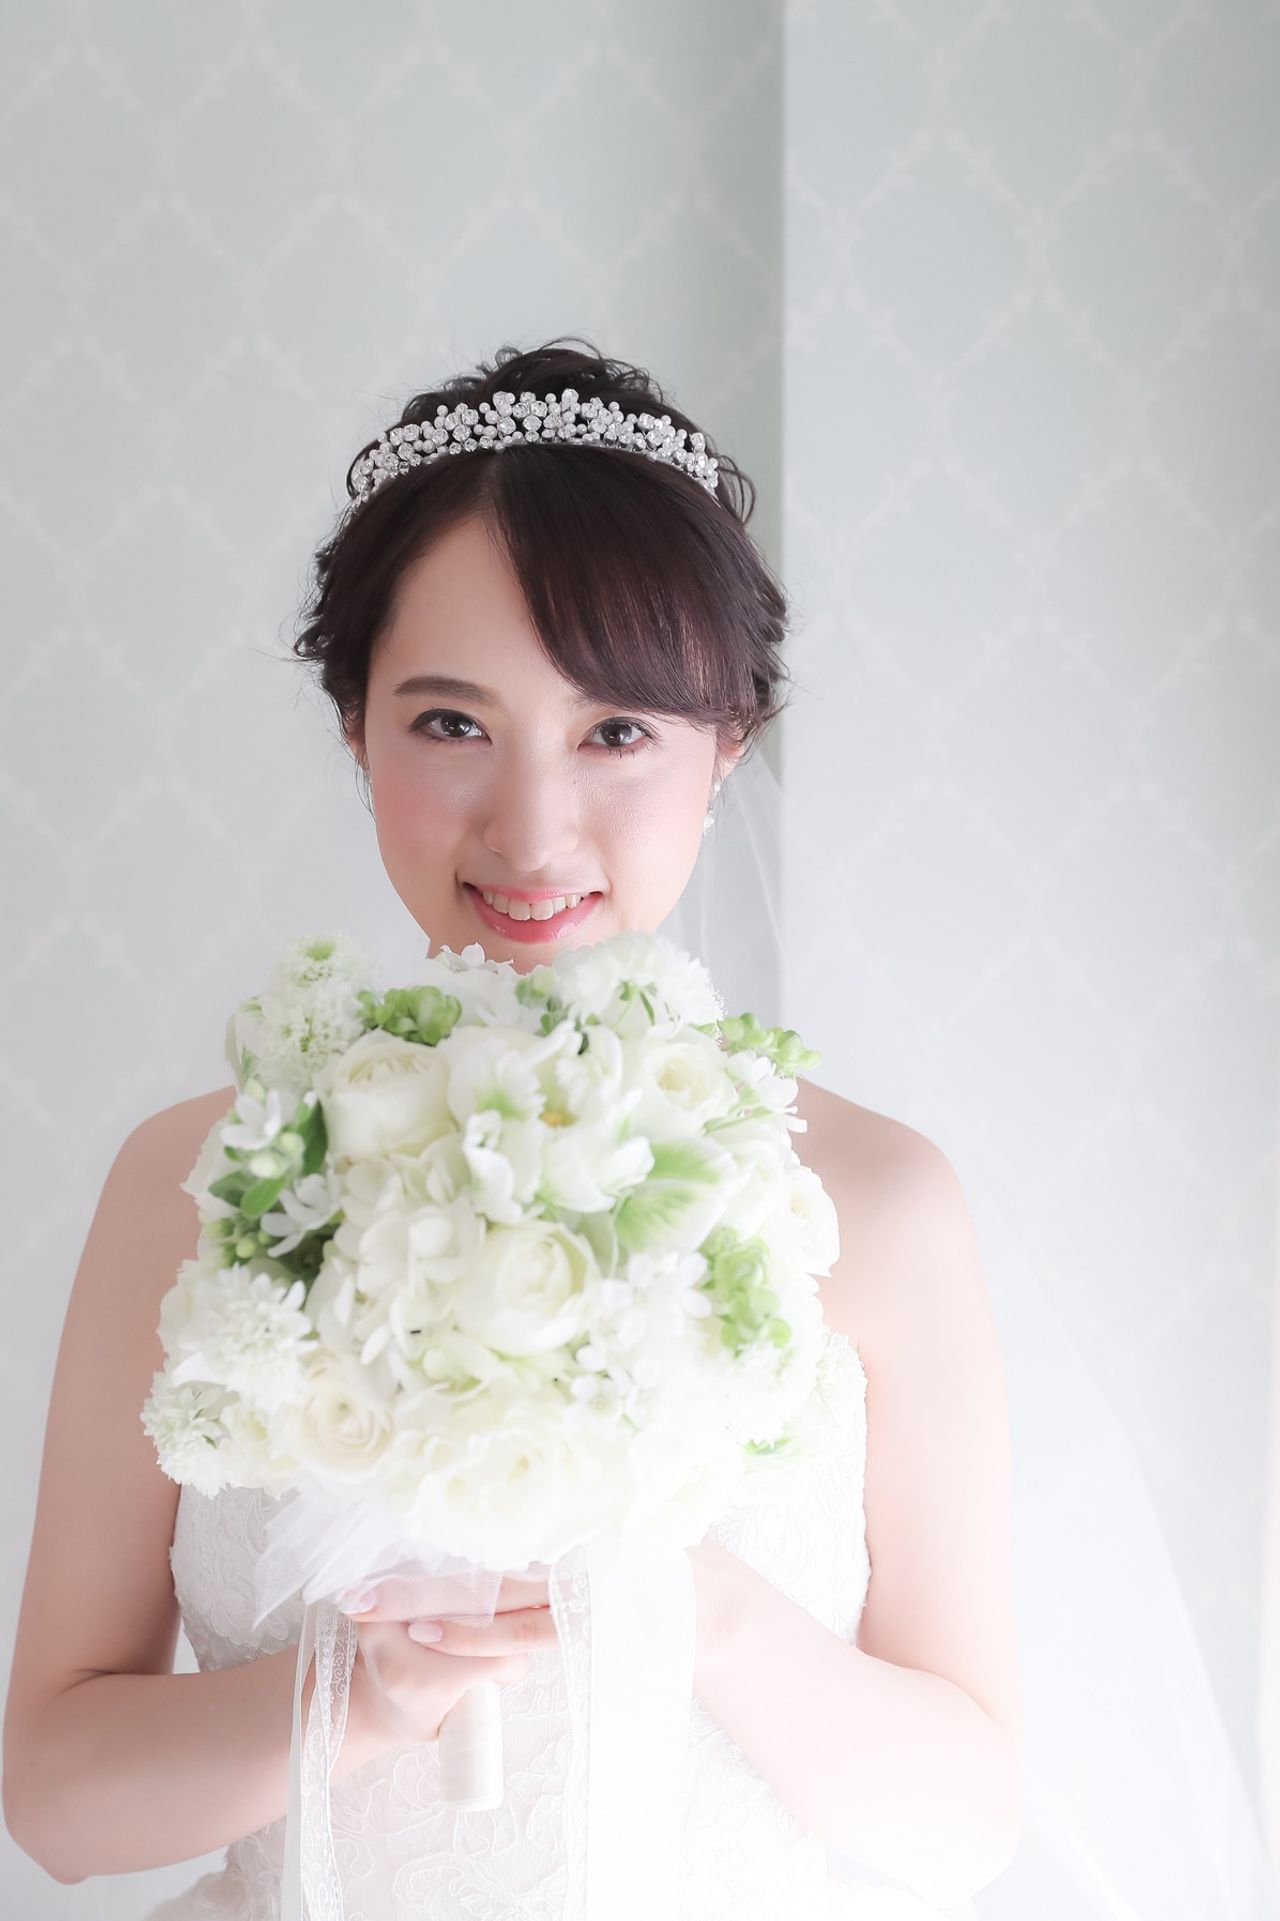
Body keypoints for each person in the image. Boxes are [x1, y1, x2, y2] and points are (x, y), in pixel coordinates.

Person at [2, 337, 1023, 1918]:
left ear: (726, 744)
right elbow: (58, 1796)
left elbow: (966, 1819)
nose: (533, 832)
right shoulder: (194, 1183)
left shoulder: (877, 1203)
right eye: (450, 723)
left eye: (617, 732)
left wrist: (687, 1598)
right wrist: (348, 1697)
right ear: (356, 726)